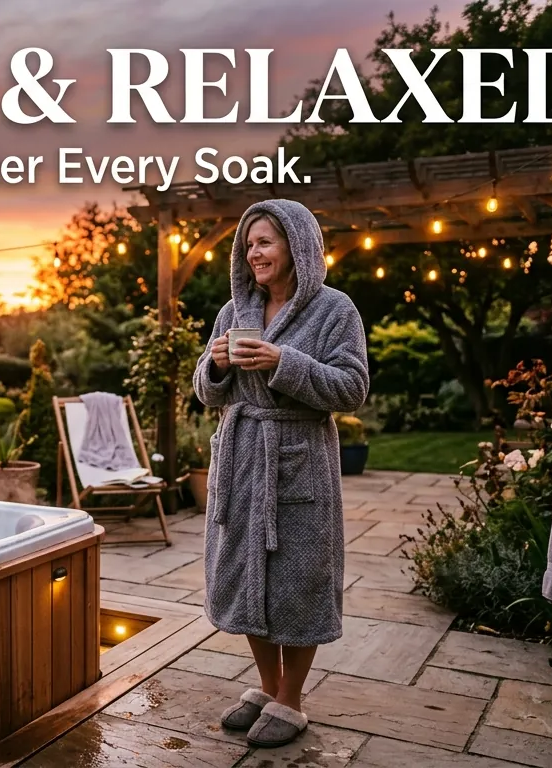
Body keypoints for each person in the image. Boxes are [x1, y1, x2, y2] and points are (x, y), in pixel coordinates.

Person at [192, 199, 369, 748]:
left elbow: (352, 388)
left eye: (265, 241)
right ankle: (269, 687)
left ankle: (292, 699)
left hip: (298, 460)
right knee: (242, 576)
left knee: (297, 579)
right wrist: (216, 365)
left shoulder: (334, 310)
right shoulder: (233, 311)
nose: (254, 252)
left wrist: (283, 364)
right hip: (241, 454)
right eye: (248, 244)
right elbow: (205, 391)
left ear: (297, 245)